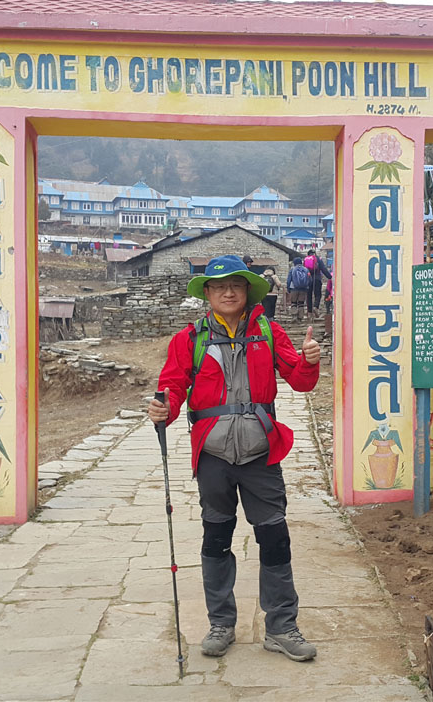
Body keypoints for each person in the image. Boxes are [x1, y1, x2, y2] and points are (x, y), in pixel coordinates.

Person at [148, 254, 322, 663]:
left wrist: (310, 361)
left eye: (237, 285)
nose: (229, 292)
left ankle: (281, 627)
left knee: (275, 538)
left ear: (247, 292)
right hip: (213, 456)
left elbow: (298, 379)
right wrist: (163, 408)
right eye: (220, 286)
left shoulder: (268, 331)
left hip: (261, 453)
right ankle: (221, 623)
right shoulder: (188, 340)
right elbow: (172, 387)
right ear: (207, 293)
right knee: (216, 538)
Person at [302, 251, 332, 317]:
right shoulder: (317, 259)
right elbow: (323, 268)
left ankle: (309, 312)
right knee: (318, 294)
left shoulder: (305, 260)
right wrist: (329, 277)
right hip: (317, 278)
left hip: (308, 279)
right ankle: (316, 307)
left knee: (309, 295)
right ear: (314, 253)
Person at [285, 256, 310, 323]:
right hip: (303, 289)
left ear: (294, 263)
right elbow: (309, 279)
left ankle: (294, 317)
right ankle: (300, 318)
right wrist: (307, 288)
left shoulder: (292, 269)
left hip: (294, 288)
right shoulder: (306, 269)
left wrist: (288, 288)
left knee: (293, 303)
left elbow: (289, 280)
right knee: (301, 304)